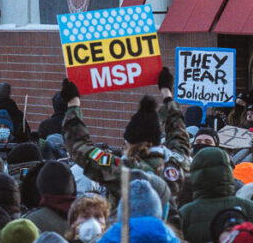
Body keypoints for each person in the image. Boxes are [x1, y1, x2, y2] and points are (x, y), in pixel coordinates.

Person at [61, 68, 191, 203]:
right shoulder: (177, 164)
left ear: (130, 143)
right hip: (169, 225)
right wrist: (167, 94)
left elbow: (79, 147)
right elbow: (179, 135)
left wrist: (73, 104)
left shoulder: (122, 170)